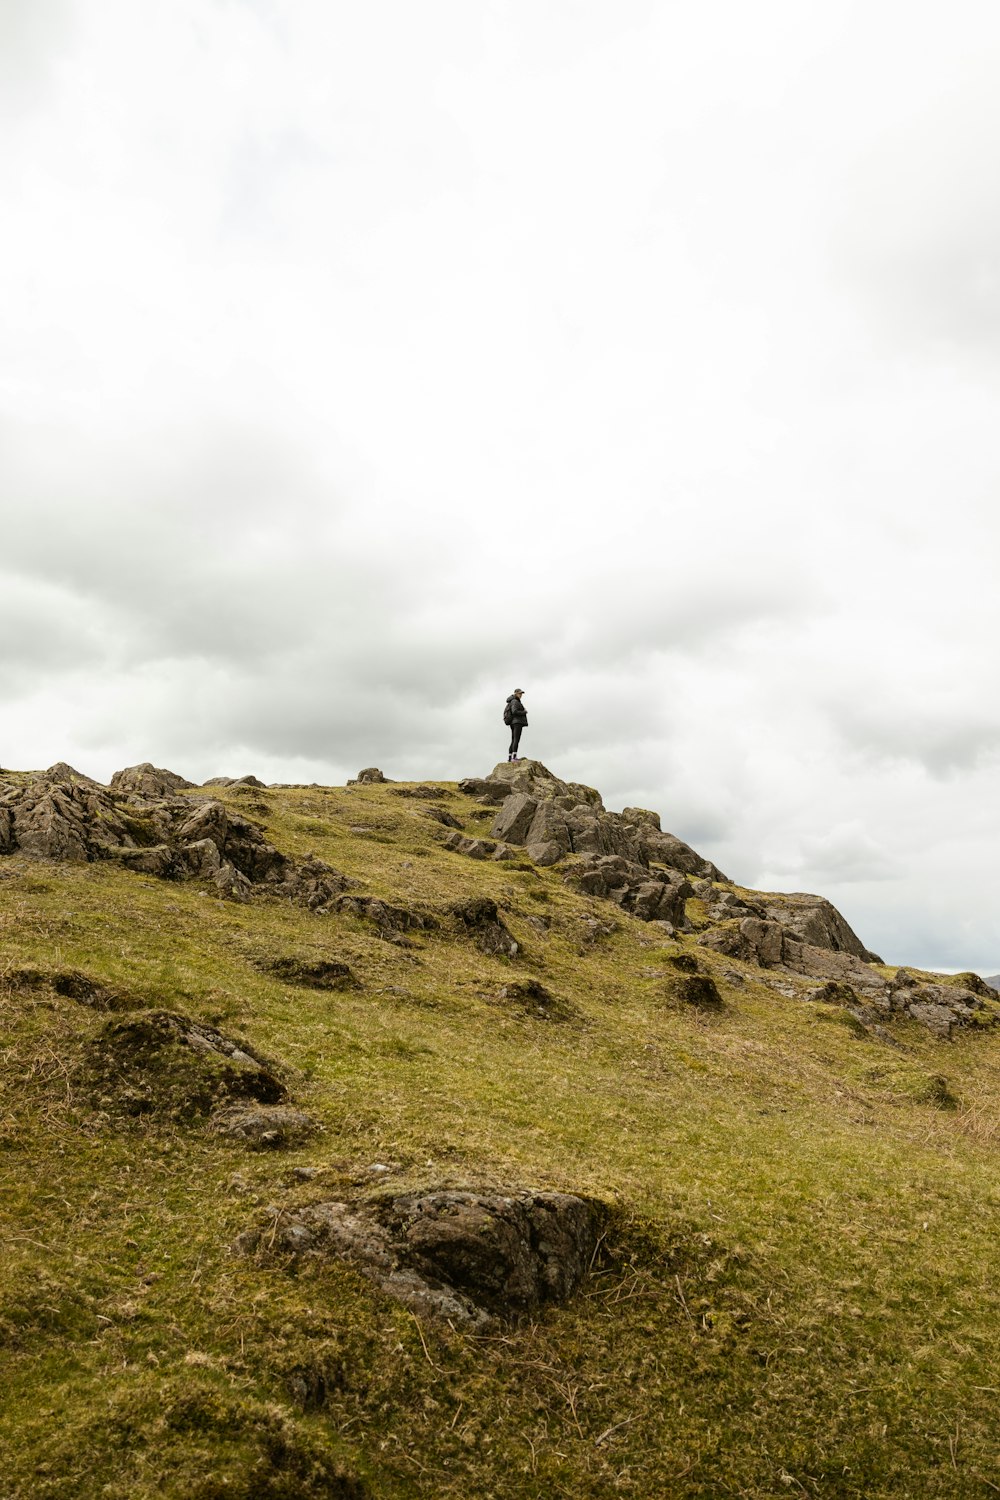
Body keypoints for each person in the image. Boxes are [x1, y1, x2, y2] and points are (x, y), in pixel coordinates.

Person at [505, 689, 528, 761]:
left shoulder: (513, 701)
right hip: (517, 723)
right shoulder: (515, 701)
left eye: (521, 694)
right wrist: (524, 712)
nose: (521, 695)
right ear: (515, 693)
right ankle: (514, 757)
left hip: (514, 722)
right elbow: (514, 711)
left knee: (513, 739)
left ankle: (510, 758)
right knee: (516, 740)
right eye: (519, 693)